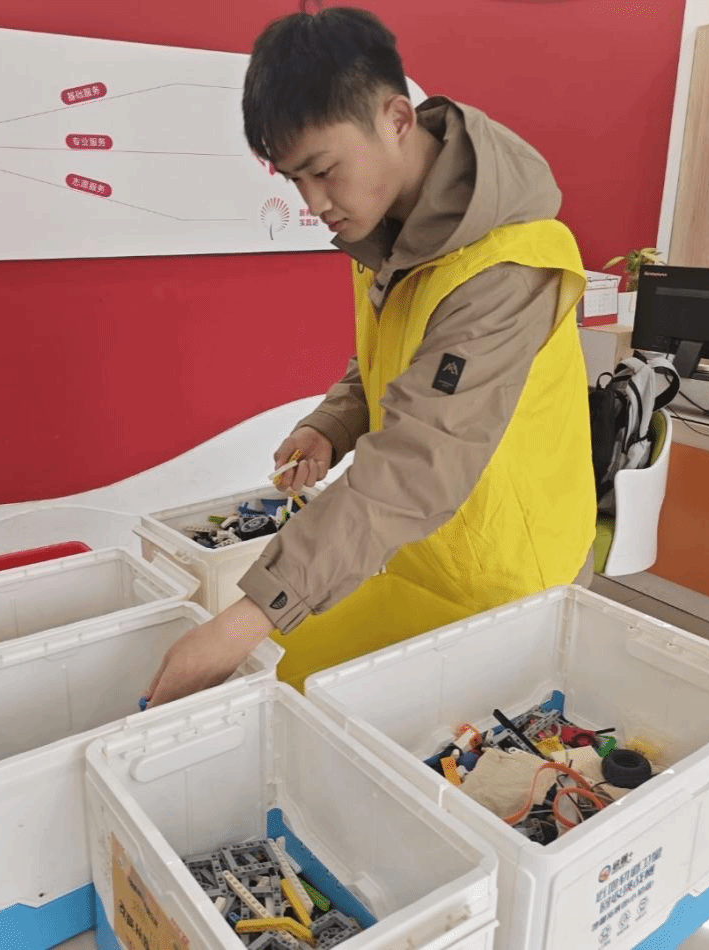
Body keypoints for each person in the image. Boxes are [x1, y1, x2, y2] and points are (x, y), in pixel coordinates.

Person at [145, 5, 594, 706]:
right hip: (417, 553)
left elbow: (420, 463)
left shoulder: (507, 265)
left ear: (396, 119)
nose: (313, 202)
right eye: (294, 180)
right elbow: (395, 357)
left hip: (509, 578)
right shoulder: (393, 228)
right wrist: (334, 424)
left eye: (324, 171)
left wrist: (247, 617)